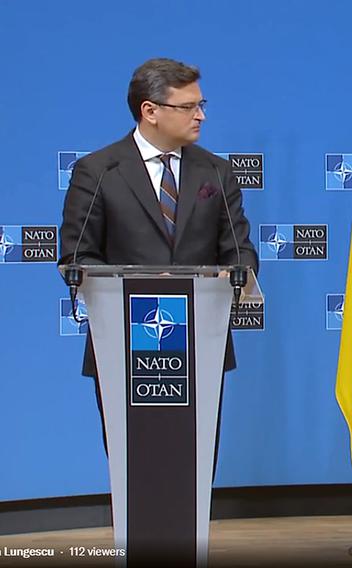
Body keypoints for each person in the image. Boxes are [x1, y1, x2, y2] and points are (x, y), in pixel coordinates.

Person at [59, 58, 258, 460]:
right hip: (125, 341)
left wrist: (233, 273)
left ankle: (192, 527)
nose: (200, 115)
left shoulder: (216, 172)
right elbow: (77, 256)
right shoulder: (98, 170)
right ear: (149, 111)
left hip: (199, 339)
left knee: (195, 459)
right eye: (188, 107)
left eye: (202, 104)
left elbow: (241, 252)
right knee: (138, 461)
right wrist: (148, 285)